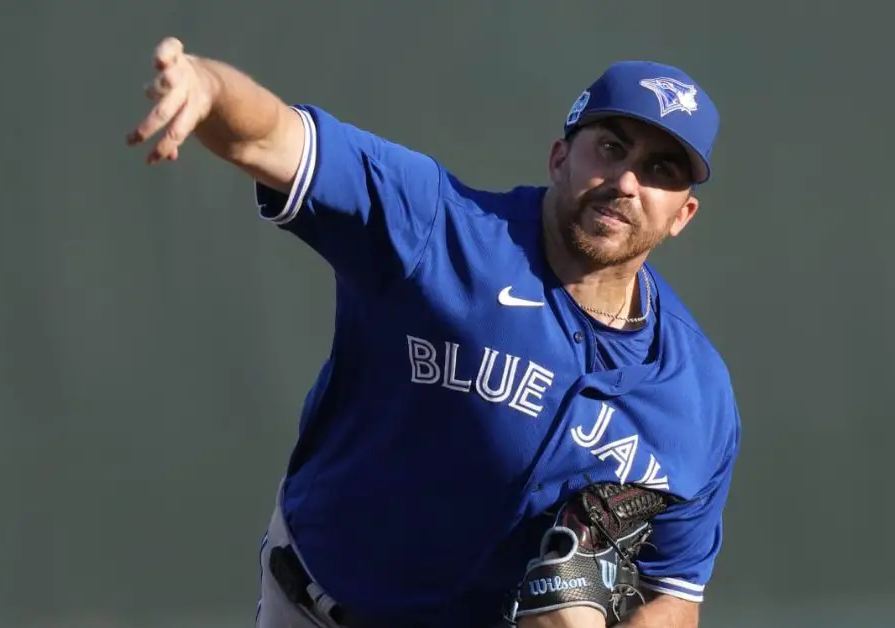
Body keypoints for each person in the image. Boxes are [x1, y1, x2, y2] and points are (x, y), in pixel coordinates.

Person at [127, 37, 741, 628]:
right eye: (611, 147)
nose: (627, 182)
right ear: (560, 157)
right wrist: (208, 85)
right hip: (321, 604)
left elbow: (673, 594)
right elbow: (273, 136)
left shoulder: (696, 397)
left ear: (682, 215)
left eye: (660, 170)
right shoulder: (438, 229)